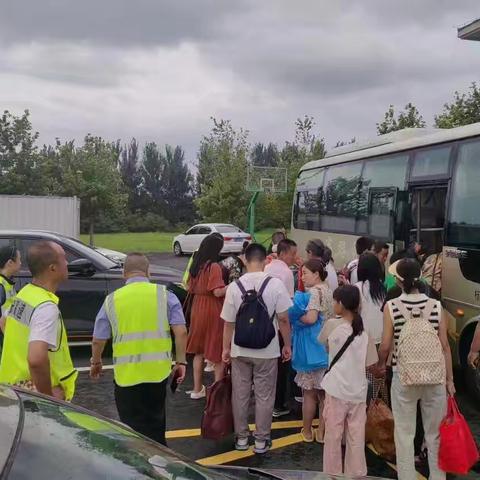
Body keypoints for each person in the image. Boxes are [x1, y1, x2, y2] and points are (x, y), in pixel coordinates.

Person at [90, 253, 187, 446]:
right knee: (156, 426)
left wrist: (96, 362)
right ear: (148, 271)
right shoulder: (165, 295)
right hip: (157, 375)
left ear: (124, 274)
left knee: (131, 430)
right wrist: (181, 362)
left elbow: (98, 340)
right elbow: (181, 331)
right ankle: (159, 465)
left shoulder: (111, 300)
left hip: (127, 377)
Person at [375, 258, 455, 480]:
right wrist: (450, 380)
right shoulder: (436, 306)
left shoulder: (392, 307)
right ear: (420, 277)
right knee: (434, 434)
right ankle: (438, 477)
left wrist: (382, 365)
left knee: (404, 432)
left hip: (404, 376)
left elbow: (385, 345)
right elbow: (445, 346)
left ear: (398, 281)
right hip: (434, 376)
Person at [221, 243, 292, 454]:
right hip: (268, 350)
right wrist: (287, 344)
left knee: (240, 395)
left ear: (245, 259)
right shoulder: (276, 284)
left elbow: (228, 323)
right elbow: (283, 318)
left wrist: (225, 348)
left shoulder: (234, 287)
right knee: (264, 395)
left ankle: (241, 439)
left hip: (240, 349)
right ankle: (261, 440)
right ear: (266, 260)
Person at [0, 241, 77, 400]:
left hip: (11, 389)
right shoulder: (45, 307)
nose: (67, 262)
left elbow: (3, 322)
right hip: (31, 395)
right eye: (63, 258)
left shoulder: (25, 294)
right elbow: (36, 359)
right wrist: (48, 398)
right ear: (53, 268)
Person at [319, 285, 378, 478]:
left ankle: (333, 474)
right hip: (358, 391)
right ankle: (356, 473)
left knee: (333, 435)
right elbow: (371, 362)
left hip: (336, 389)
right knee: (356, 436)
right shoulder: (364, 329)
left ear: (342, 304)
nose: (333, 304)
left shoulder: (331, 325)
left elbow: (326, 347)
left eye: (335, 301)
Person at [294, 258, 333, 443]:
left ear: (316, 274)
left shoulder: (315, 292)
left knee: (309, 393)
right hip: (327, 347)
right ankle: (322, 433)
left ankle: (308, 432)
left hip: (312, 347)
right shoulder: (328, 290)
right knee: (324, 394)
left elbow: (311, 318)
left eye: (305, 273)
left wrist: (295, 315)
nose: (302, 277)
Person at [186, 234, 227, 398]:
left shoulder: (196, 265)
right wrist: (232, 286)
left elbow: (189, 287)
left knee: (199, 351)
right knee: (216, 351)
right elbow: (217, 292)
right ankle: (217, 392)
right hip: (212, 308)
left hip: (197, 307)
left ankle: (197, 390)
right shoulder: (214, 266)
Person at [265, 238, 296, 417]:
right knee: (281, 367)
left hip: (264, 326)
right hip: (278, 326)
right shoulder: (286, 273)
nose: (294, 257)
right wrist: (288, 341)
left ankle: (267, 401)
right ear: (283, 253)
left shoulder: (267, 268)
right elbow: (288, 306)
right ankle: (278, 404)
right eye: (292, 254)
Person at [355, 252, 387, 403]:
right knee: (380, 381)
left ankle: (367, 414)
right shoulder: (382, 289)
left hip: (365, 342)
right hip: (382, 340)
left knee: (365, 381)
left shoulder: (358, 288)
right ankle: (382, 413)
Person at [0, 246, 22, 354]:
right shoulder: (1, 286)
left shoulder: (7, 283)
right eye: (19, 259)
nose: (21, 263)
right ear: (10, 263)